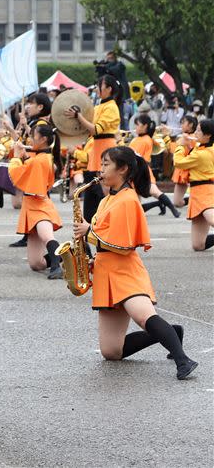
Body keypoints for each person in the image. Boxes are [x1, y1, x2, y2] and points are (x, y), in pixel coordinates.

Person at [72, 146, 197, 380]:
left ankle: (183, 360)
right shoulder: (108, 198)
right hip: (105, 270)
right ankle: (172, 332)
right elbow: (103, 236)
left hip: (125, 269)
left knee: (143, 316)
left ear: (123, 169)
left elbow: (122, 245)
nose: (101, 169)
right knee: (111, 351)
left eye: (106, 164)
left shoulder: (128, 200)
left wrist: (89, 230)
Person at [7, 126, 63, 279]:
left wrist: (17, 157)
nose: (30, 140)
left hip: (39, 204)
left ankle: (57, 267)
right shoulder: (41, 157)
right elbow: (29, 166)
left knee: (46, 236)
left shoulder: (41, 160)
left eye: (33, 136)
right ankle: (66, 254)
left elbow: (17, 175)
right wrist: (22, 155)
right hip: (31, 204)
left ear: (43, 139)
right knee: (36, 264)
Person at [65, 74, 121, 222]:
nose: (97, 89)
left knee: (104, 192)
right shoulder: (99, 106)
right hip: (97, 150)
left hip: (106, 148)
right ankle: (88, 232)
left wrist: (78, 116)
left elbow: (95, 129)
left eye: (99, 86)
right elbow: (87, 127)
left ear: (108, 88)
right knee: (91, 191)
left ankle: (105, 226)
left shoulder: (112, 107)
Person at [2, 92, 52, 247]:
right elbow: (22, 142)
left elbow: (34, 142)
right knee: (29, 199)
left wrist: (24, 125)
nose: (28, 106)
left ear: (40, 107)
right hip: (31, 162)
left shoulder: (41, 125)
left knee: (37, 200)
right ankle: (29, 234)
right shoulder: (35, 123)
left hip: (37, 164)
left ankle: (41, 234)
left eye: (31, 103)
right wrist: (11, 128)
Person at [172, 119, 214, 251]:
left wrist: (180, 145)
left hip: (206, 191)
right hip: (196, 192)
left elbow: (179, 162)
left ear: (208, 135)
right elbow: (194, 149)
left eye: (199, 130)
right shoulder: (203, 147)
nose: (195, 132)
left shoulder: (202, 154)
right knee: (198, 245)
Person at [129, 115, 181, 217]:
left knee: (154, 192)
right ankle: (161, 205)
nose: (136, 127)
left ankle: (173, 210)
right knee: (137, 204)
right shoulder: (142, 139)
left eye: (137, 125)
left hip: (141, 171)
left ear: (145, 126)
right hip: (138, 170)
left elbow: (132, 155)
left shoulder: (145, 139)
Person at [168, 115, 198, 207]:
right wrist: (167, 136)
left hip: (189, 170)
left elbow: (174, 149)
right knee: (177, 203)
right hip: (182, 170)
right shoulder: (184, 137)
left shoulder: (192, 138)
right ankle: (193, 199)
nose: (181, 125)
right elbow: (173, 150)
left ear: (191, 125)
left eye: (183, 122)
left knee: (177, 203)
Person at [94, 51, 128, 127]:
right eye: (108, 58)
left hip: (119, 93)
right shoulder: (107, 68)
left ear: (115, 58)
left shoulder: (120, 65)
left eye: (111, 58)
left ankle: (122, 130)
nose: (109, 60)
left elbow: (114, 70)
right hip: (110, 94)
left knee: (120, 113)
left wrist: (105, 67)